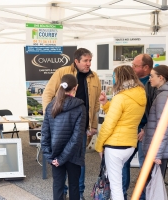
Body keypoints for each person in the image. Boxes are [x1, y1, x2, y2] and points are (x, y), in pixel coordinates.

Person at [42, 48, 101, 200]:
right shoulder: (62, 72)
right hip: (61, 124)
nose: (88, 64)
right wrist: (51, 117)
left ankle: (79, 193)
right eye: (85, 61)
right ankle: (65, 192)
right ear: (76, 61)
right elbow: (48, 93)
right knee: (71, 161)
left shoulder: (94, 77)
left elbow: (95, 106)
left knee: (76, 163)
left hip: (80, 125)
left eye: (90, 61)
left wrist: (93, 125)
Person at [95, 65, 147, 200]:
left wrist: (99, 145)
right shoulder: (140, 94)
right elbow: (124, 116)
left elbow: (109, 124)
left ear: (119, 78)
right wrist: (106, 104)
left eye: (114, 76)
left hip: (115, 146)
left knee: (116, 187)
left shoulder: (121, 97)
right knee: (117, 183)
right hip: (129, 144)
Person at [41, 74, 87, 200]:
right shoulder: (80, 107)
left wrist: (51, 157)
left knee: (57, 186)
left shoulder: (51, 106)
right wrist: (61, 158)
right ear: (75, 88)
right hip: (73, 156)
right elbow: (77, 138)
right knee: (74, 187)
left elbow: (45, 134)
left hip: (55, 155)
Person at [122, 54, 156, 200]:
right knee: (123, 162)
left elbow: (157, 111)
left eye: (135, 65)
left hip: (145, 131)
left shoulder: (154, 83)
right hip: (130, 128)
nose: (132, 67)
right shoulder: (130, 81)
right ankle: (120, 194)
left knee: (144, 166)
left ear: (146, 68)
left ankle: (142, 197)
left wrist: (146, 128)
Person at [142, 65, 168, 177]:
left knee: (153, 184)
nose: (149, 78)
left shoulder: (164, 96)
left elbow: (163, 127)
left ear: (161, 78)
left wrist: (157, 154)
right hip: (161, 148)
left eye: (152, 76)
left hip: (158, 150)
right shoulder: (167, 93)